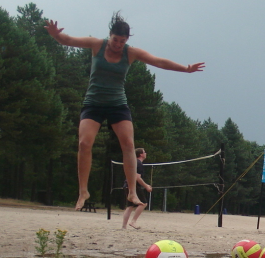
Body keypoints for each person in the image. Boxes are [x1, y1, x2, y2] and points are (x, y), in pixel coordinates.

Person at [45, 13, 204, 211]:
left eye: (122, 41)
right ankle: (83, 191)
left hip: (118, 104)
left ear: (126, 40)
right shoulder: (96, 44)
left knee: (129, 144)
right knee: (84, 143)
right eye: (115, 40)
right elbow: (67, 40)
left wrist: (186, 68)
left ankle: (132, 192)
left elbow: (158, 62)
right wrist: (55, 35)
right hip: (93, 102)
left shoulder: (130, 53)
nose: (118, 44)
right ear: (109, 35)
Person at [121, 148, 151, 229]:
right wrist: (146, 186)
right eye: (144, 152)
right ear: (141, 154)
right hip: (133, 186)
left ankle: (124, 226)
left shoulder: (134, 163)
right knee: (143, 203)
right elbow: (138, 178)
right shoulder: (139, 163)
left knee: (130, 206)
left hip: (126, 185)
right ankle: (133, 221)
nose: (146, 153)